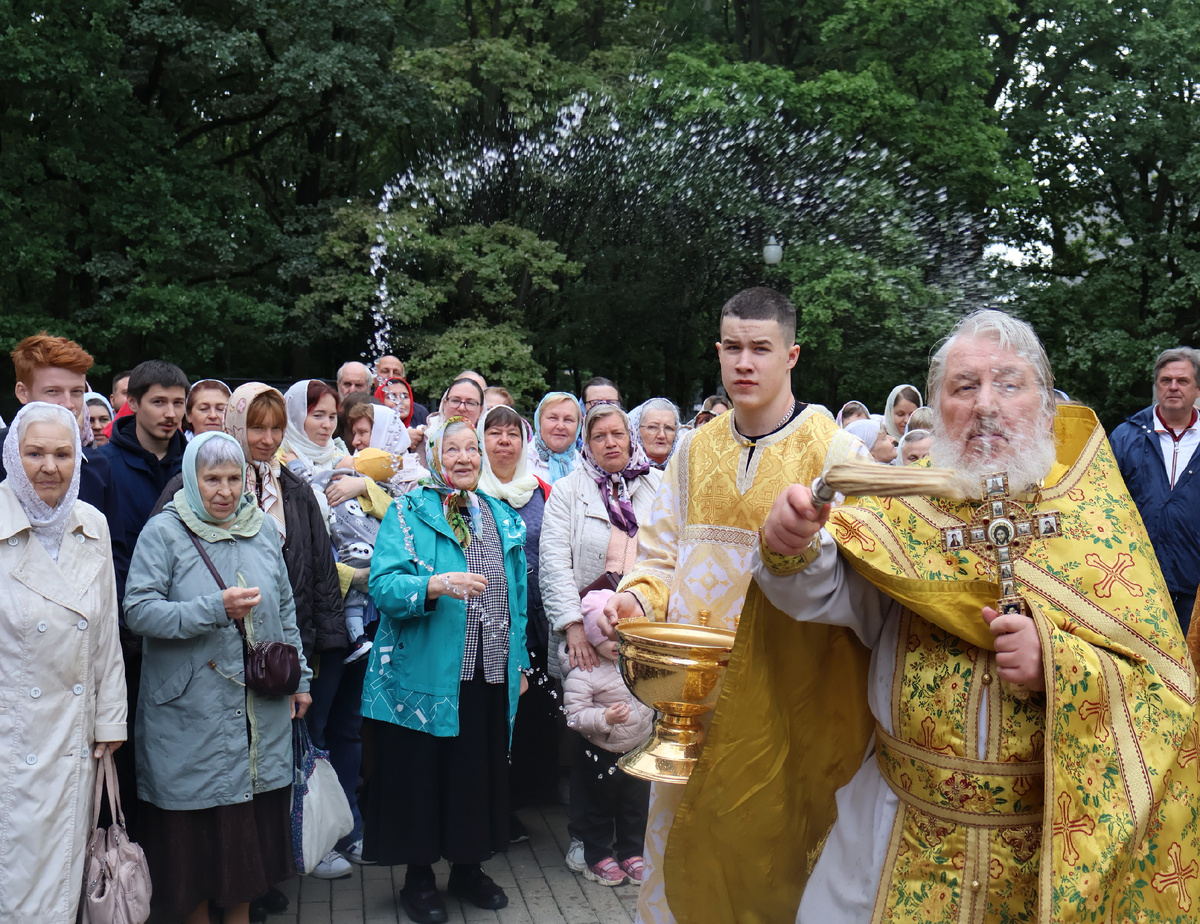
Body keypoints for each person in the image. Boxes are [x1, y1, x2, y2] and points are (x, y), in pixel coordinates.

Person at [699, 308, 1200, 922]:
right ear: (936, 410)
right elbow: (829, 593)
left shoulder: (1096, 524)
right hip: (894, 827)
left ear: (1045, 406)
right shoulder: (906, 506)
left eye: (1008, 384)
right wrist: (789, 547)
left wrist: (1059, 666)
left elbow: (1165, 692)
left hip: (1045, 840)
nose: (986, 405)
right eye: (964, 387)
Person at [599, 287, 867, 924]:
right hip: (694, 706)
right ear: (719, 353)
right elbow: (659, 554)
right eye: (734, 348)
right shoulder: (693, 450)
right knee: (683, 853)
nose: (745, 362)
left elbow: (859, 587)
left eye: (761, 348)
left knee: (770, 859)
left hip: (785, 698)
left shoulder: (836, 454)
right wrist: (634, 599)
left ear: (791, 355)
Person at [124, 431, 312, 924]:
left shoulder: (263, 529)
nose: (224, 490)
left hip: (260, 708)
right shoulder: (164, 533)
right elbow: (138, 612)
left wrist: (302, 679)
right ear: (191, 479)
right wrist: (214, 609)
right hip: (191, 712)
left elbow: (286, 609)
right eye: (212, 479)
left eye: (233, 478)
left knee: (247, 831)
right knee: (196, 837)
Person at [361, 417, 529, 924]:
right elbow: (383, 586)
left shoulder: (501, 515)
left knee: (476, 772)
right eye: (451, 449)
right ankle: (418, 879)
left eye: (471, 449)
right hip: (428, 672)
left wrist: (519, 661)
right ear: (434, 454)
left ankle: (468, 868)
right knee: (423, 772)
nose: (464, 458)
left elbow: (517, 598)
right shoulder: (409, 512)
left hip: (490, 668)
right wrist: (434, 585)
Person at [0, 402, 126, 922]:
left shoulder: (91, 523)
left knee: (63, 875)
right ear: (12, 456)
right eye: (35, 453)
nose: (49, 466)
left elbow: (106, 635)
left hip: (74, 739)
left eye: (62, 453)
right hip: (13, 739)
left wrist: (110, 717)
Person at [540, 403, 663, 871]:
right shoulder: (570, 491)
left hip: (643, 632)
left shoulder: (657, 485)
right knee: (594, 737)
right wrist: (573, 627)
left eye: (618, 434)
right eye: (599, 437)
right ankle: (586, 839)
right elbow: (553, 562)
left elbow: (669, 556)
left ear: (631, 438)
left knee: (641, 734)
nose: (610, 443)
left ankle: (633, 842)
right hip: (589, 635)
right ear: (586, 445)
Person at [477, 404, 556, 838]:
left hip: (536, 620)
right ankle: (489, 805)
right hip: (486, 621)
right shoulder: (469, 492)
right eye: (494, 433)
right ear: (480, 441)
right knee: (491, 713)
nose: (504, 441)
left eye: (512, 433)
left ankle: (515, 802)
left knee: (529, 714)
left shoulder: (542, 490)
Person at [560, 590, 654, 887]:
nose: (617, 644)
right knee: (598, 808)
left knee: (635, 807)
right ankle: (597, 856)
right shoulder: (584, 672)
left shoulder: (636, 659)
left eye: (622, 637)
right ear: (592, 635)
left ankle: (631, 853)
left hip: (638, 749)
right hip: (602, 751)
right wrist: (604, 720)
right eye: (609, 638)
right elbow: (574, 716)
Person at [1111, 347, 1200, 633]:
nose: (1173, 387)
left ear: (1198, 389)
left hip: (1194, 586)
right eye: (1165, 380)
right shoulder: (1125, 437)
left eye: (1182, 381)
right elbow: (1104, 507)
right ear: (1156, 386)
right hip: (1135, 582)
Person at [0, 333, 118, 527]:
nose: (68, 404)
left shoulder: (97, 467)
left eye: (76, 392)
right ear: (22, 392)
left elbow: (114, 550)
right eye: (52, 391)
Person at [97, 359, 190, 603]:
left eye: (178, 403)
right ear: (133, 402)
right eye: (158, 402)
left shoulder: (197, 466)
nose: (170, 414)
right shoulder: (102, 467)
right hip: (122, 608)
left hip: (189, 611)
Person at [531, 392, 582, 483]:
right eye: (553, 418)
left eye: (568, 420)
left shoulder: (586, 466)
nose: (560, 426)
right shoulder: (520, 461)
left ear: (578, 426)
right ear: (539, 421)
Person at [630, 398, 682, 469]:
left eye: (668, 428)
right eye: (653, 427)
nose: (662, 435)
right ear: (637, 431)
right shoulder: (625, 474)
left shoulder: (685, 471)